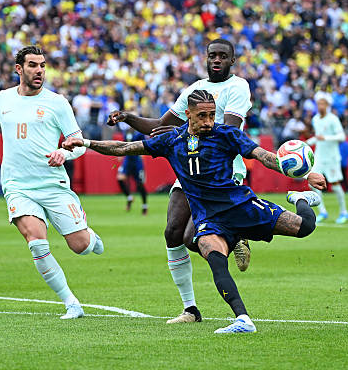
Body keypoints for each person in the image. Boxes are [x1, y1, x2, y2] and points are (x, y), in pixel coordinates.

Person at [62, 89, 327, 333]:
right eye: (202, 116)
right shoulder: (171, 140)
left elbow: (263, 156)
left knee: (305, 227)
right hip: (209, 218)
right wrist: (85, 142)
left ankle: (300, 199)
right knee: (215, 258)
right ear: (188, 114)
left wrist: (304, 175)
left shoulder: (227, 134)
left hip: (240, 205)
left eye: (212, 115)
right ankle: (243, 320)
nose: (208, 121)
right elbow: (124, 148)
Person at [0, 45, 104, 319]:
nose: (39, 71)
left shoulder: (57, 102)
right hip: (17, 186)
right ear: (19, 69)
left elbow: (79, 143)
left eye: (42, 65)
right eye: (33, 65)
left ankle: (90, 238)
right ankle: (71, 303)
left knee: (80, 246)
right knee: (36, 242)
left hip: (52, 185)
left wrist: (63, 153)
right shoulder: (1, 100)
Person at [107, 39, 252, 323]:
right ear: (206, 58)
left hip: (221, 171)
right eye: (213, 55)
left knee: (190, 238)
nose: (217, 60)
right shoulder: (194, 89)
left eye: (223, 56)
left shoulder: (238, 87)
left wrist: (183, 130)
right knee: (173, 232)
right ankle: (190, 309)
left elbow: (229, 130)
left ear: (232, 60)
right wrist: (128, 117)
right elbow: (161, 126)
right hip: (190, 168)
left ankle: (235, 234)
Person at [307, 94, 348, 223]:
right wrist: (306, 143)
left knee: (335, 184)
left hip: (332, 157)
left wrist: (326, 138)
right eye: (318, 104)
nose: (320, 106)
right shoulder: (315, 119)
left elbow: (342, 137)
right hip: (319, 156)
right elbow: (318, 137)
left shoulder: (333, 119)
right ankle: (322, 211)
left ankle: (344, 212)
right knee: (312, 182)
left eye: (323, 104)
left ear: (327, 105)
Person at [118, 129, 148, 214]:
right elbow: (124, 144)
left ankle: (144, 206)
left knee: (140, 184)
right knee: (120, 179)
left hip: (137, 160)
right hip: (127, 160)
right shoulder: (126, 132)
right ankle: (129, 197)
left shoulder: (140, 132)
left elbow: (145, 144)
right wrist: (120, 154)